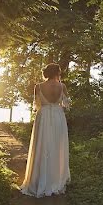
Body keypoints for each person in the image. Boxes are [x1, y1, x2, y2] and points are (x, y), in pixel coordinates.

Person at [20, 63, 71, 197]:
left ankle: (39, 179)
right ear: (57, 73)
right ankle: (55, 180)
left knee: (42, 146)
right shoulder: (62, 86)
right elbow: (67, 104)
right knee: (56, 147)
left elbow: (37, 105)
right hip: (58, 117)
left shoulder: (38, 87)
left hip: (43, 118)